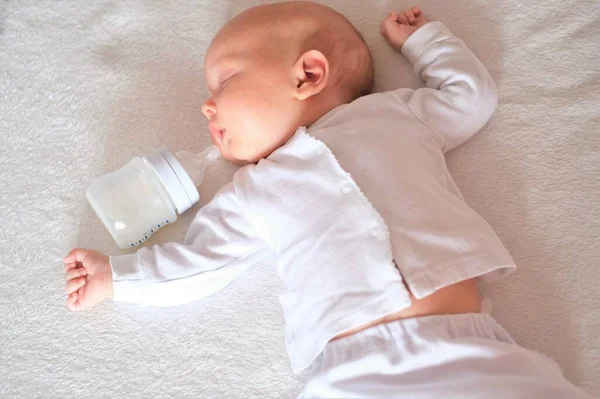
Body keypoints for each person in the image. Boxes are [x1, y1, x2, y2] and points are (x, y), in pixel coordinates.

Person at [63, 2, 592, 397]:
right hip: (352, 373)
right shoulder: (251, 192)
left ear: (308, 74)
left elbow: (469, 99)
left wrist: (426, 42)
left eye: (224, 80)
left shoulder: (396, 116)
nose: (206, 105)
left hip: (475, 354)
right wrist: (118, 277)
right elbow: (198, 265)